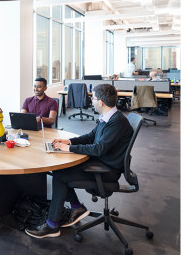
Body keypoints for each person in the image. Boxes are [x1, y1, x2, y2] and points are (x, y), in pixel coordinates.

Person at [25, 84, 133, 239]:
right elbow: (90, 137)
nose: (92, 101)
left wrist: (68, 149)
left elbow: (98, 149)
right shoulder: (107, 117)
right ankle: (76, 208)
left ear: (101, 102)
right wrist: (68, 142)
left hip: (106, 171)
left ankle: (52, 225)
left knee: (60, 176)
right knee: (59, 170)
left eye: (93, 98)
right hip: (100, 163)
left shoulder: (117, 122)